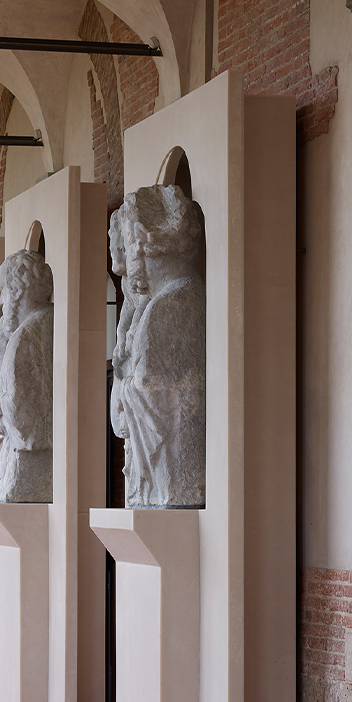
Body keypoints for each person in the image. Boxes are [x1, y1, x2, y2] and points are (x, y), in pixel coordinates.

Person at [109, 183, 206, 508]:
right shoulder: (187, 296)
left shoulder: (163, 308)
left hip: (172, 471)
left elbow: (148, 389)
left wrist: (122, 385)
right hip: (179, 472)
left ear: (144, 247)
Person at [0, 249, 55, 503]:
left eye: (3, 291)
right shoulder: (48, 323)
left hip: (28, 464)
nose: (0, 302)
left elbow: (21, 413)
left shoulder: (24, 337)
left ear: (17, 290)